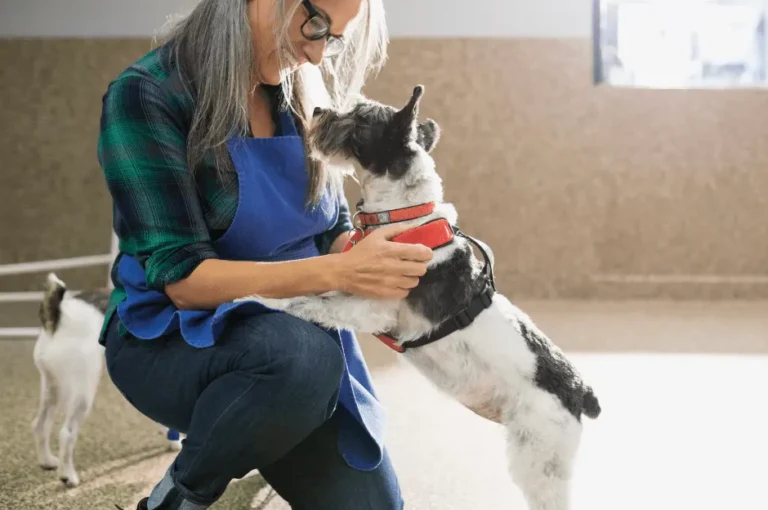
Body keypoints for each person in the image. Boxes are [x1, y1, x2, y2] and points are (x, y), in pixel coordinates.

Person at [97, 1, 433, 509]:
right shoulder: (148, 95)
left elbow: (330, 230)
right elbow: (183, 282)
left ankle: (260, 425)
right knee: (299, 359)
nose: (317, 55)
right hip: (172, 341)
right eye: (317, 24)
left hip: (303, 347)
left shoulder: (300, 94)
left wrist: (401, 259)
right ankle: (177, 498)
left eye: (334, 39)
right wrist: (342, 271)